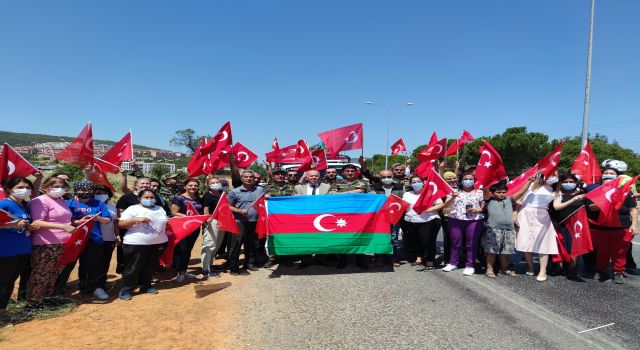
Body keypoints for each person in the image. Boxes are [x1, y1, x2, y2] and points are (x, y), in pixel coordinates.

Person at [585, 161, 638, 283]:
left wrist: (634, 225)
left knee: (619, 252)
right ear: (602, 177)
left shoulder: (625, 191)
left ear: (617, 177)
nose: (608, 175)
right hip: (602, 228)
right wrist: (605, 199)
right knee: (602, 252)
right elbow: (591, 207)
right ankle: (601, 271)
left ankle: (618, 272)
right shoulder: (596, 191)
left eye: (612, 173)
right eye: (606, 173)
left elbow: (633, 209)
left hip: (621, 227)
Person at [26, 177, 75, 309]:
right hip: (45, 243)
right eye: (55, 186)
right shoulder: (39, 201)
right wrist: (63, 228)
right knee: (41, 274)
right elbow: (37, 222)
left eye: (62, 186)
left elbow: (65, 220)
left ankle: (46, 300)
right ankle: (33, 304)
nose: (59, 189)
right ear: (46, 187)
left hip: (63, 242)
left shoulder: (61, 200)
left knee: (53, 274)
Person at [117, 190, 168, 300]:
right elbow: (121, 224)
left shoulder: (160, 208)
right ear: (139, 198)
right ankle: (126, 290)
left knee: (150, 266)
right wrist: (136, 220)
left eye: (152, 197)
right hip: (136, 243)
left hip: (157, 243)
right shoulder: (133, 209)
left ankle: (145, 286)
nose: (149, 199)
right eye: (146, 197)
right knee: (133, 267)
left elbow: (165, 222)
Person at [66, 180, 112, 299]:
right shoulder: (68, 203)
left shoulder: (98, 204)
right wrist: (77, 222)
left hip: (94, 238)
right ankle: (59, 287)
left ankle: (94, 287)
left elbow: (108, 219)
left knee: (93, 264)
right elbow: (61, 220)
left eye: (89, 190)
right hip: (72, 238)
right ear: (76, 190)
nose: (86, 192)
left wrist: (98, 218)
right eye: (83, 190)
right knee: (67, 264)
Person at [0, 178, 38, 319]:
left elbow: (23, 224)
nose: (25, 190)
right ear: (9, 189)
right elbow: (9, 224)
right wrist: (11, 225)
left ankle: (2, 312)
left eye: (28, 187)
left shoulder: (23, 206)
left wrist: (29, 226)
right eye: (21, 187)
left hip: (22, 249)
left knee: (10, 282)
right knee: (3, 282)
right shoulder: (4, 204)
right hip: (6, 250)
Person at [515, 172, 560, 282]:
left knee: (543, 243)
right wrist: (515, 212)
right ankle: (530, 266)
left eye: (555, 175)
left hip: (542, 216)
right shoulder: (532, 185)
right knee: (526, 241)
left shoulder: (557, 191)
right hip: (525, 213)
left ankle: (542, 270)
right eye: (551, 174)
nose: (553, 177)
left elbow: (557, 206)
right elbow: (520, 199)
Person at [329, 164, 374, 270]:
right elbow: (331, 195)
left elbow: (373, 195)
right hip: (342, 215)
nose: (350, 173)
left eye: (352, 171)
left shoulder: (364, 183)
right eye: (347, 171)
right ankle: (343, 259)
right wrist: (354, 192)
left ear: (356, 172)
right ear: (343, 173)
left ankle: (360, 259)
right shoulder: (336, 183)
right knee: (342, 237)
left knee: (360, 236)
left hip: (360, 214)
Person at [482, 180, 529, 278]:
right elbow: (485, 191)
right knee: (491, 251)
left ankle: (504, 269)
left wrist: (529, 181)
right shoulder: (489, 200)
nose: (501, 194)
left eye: (503, 192)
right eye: (498, 192)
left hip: (509, 230)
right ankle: (489, 270)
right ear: (492, 193)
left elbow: (521, 192)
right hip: (494, 230)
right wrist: (485, 182)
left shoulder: (509, 200)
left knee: (506, 251)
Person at [442, 172, 485, 276]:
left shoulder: (479, 192)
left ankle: (470, 265)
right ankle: (453, 263)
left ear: (474, 181)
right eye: (466, 179)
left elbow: (483, 206)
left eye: (470, 179)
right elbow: (445, 206)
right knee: (455, 243)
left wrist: (476, 209)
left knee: (471, 243)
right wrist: (452, 197)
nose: (468, 181)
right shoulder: (453, 191)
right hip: (455, 220)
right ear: (461, 180)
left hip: (474, 220)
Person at [402, 175, 444, 271]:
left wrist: (429, 209)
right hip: (411, 221)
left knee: (427, 241)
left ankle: (430, 261)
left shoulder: (431, 192)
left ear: (423, 182)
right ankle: (419, 257)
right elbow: (403, 206)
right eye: (414, 182)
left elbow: (441, 204)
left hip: (428, 220)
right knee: (416, 240)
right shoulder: (407, 194)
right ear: (411, 184)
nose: (416, 184)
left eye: (418, 182)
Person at [227, 170, 264, 275]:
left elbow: (264, 201)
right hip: (240, 221)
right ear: (242, 179)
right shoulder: (235, 192)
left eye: (251, 177)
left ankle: (249, 264)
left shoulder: (261, 189)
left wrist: (267, 197)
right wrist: (239, 211)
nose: (249, 179)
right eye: (246, 177)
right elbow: (228, 206)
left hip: (256, 221)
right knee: (236, 245)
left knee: (252, 244)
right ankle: (233, 267)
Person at [549, 173, 586, 278]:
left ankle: (571, 268)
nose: (568, 184)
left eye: (571, 182)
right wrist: (573, 199)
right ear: (560, 183)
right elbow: (555, 208)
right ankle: (558, 267)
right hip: (560, 225)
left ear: (576, 183)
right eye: (565, 182)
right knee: (559, 247)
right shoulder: (556, 194)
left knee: (574, 248)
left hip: (576, 226)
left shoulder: (583, 193)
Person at [293, 170, 331, 268]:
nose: (314, 177)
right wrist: (295, 198)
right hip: (305, 217)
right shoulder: (298, 188)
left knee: (323, 238)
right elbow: (292, 203)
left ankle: (321, 259)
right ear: (306, 177)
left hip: (322, 216)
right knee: (305, 238)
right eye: (311, 176)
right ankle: (305, 259)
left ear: (319, 177)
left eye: (316, 176)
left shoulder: (327, 187)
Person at [171, 178, 204, 283]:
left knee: (188, 249)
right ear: (185, 186)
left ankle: (184, 270)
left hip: (194, 228)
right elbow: (174, 212)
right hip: (182, 227)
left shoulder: (199, 198)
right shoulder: (179, 198)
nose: (193, 187)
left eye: (195, 185)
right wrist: (185, 216)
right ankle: (179, 273)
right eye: (190, 185)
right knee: (181, 250)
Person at [115, 177, 151, 274]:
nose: (145, 185)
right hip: (127, 231)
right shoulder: (126, 198)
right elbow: (119, 215)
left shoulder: (153, 198)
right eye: (142, 183)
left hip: (146, 232)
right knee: (127, 256)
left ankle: (140, 277)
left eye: (147, 184)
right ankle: (126, 279)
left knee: (143, 256)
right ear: (136, 185)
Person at [372, 169, 405, 267]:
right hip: (379, 217)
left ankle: (394, 258)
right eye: (384, 177)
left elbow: (404, 200)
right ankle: (379, 257)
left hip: (394, 216)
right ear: (380, 178)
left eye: (389, 177)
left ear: (393, 177)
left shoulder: (400, 187)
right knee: (379, 237)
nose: (386, 179)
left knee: (394, 238)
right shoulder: (375, 187)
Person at [93, 185, 119, 295]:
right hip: (94, 238)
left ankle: (101, 285)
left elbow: (115, 223)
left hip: (108, 239)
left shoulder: (112, 207)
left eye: (104, 192)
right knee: (93, 263)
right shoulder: (91, 205)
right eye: (98, 193)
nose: (101, 195)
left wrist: (117, 235)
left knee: (104, 263)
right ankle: (88, 285)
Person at [201, 177, 226, 279]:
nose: (216, 184)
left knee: (216, 246)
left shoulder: (222, 194)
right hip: (212, 222)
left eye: (217, 182)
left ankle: (210, 265)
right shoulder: (207, 196)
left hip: (222, 222)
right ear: (209, 185)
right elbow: (205, 211)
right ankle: (205, 270)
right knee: (209, 245)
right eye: (213, 183)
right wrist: (207, 219)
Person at [439, 171, 458, 266]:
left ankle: (458, 258)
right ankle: (447, 259)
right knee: (449, 238)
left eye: (454, 178)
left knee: (459, 239)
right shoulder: (442, 190)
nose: (452, 180)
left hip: (461, 217)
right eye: (449, 179)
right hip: (447, 216)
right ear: (445, 180)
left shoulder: (461, 188)